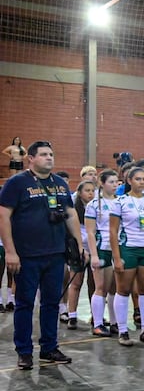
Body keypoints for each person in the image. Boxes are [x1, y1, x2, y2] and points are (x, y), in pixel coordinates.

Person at [0, 140, 83, 370]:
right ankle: (24, 351)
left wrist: (79, 244)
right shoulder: (17, 183)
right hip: (26, 255)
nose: (49, 158)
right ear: (31, 159)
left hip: (56, 254)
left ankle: (49, 347)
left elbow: (70, 214)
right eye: (44, 154)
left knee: (51, 303)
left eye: (51, 154)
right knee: (25, 304)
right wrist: (10, 251)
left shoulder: (59, 184)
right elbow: (3, 216)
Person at [110, 166, 144, 346]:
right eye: (138, 179)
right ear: (129, 181)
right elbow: (113, 230)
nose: (142, 182)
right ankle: (123, 330)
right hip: (128, 248)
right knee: (123, 289)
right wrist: (116, 257)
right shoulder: (120, 201)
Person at [85, 169, 119, 336]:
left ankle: (114, 322)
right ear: (102, 183)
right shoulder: (94, 204)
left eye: (117, 182)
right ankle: (98, 323)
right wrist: (94, 255)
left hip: (118, 248)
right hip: (102, 248)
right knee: (101, 287)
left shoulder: (121, 201)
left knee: (115, 288)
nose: (115, 185)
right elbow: (90, 232)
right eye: (111, 182)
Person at [64, 180, 96, 329]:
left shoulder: (97, 207)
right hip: (79, 250)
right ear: (80, 193)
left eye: (92, 190)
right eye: (87, 190)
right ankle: (72, 315)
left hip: (95, 249)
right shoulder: (74, 209)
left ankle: (96, 315)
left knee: (93, 284)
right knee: (76, 283)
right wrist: (79, 248)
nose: (90, 193)